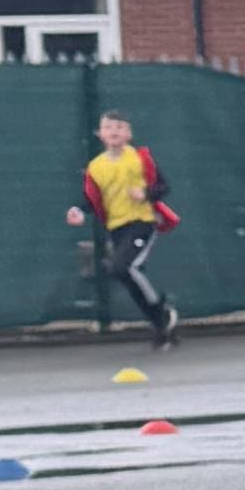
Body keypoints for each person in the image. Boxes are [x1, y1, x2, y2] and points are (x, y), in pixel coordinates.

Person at [68, 112, 178, 344]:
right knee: (122, 272)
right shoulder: (96, 167)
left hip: (142, 223)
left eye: (119, 127)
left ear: (129, 133)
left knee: (123, 267)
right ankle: (160, 320)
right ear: (100, 134)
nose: (114, 131)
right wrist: (78, 210)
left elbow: (163, 186)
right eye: (108, 127)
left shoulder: (140, 158)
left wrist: (145, 193)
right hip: (117, 228)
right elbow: (91, 198)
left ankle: (160, 313)